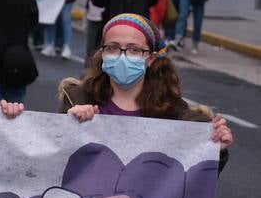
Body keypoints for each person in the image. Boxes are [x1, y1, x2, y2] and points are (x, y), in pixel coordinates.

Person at [60, 14, 232, 149]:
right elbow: (51, 163)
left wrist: (215, 146)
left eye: (134, 50)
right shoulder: (78, 99)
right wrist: (68, 126)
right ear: (102, 53)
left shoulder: (172, 111)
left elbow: (190, 177)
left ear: (151, 58)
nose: (122, 56)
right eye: (112, 48)